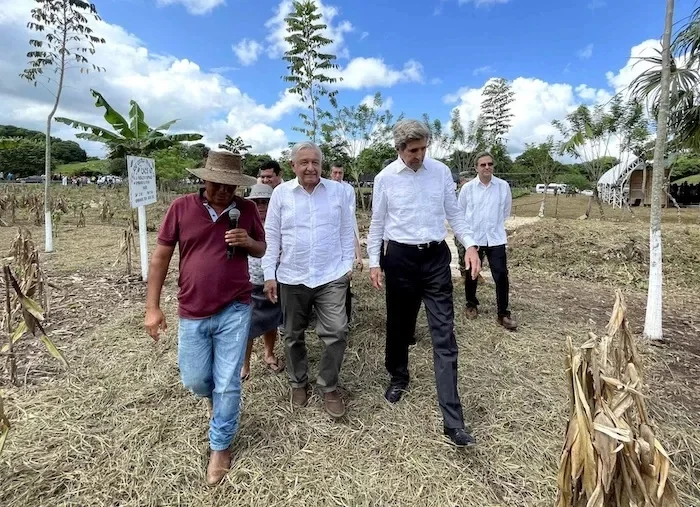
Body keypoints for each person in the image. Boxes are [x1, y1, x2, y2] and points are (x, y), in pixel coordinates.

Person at [144, 150, 264, 485]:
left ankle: (220, 446)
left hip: (236, 306)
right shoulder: (181, 208)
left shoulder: (248, 210)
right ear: (204, 179)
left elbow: (261, 248)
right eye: (218, 184)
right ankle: (217, 405)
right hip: (193, 309)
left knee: (228, 381)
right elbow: (161, 257)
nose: (225, 191)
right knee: (196, 380)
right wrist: (152, 308)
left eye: (231, 186)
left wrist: (248, 241)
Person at [367, 119, 481, 447]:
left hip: (434, 259)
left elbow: (455, 214)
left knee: (444, 334)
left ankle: (453, 420)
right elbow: (377, 223)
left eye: (423, 148)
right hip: (400, 260)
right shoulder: (385, 178)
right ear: (399, 149)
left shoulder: (441, 172)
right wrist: (375, 262)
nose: (419, 155)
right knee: (400, 326)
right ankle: (398, 375)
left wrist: (469, 244)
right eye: (413, 150)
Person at [262, 141, 354, 418]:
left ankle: (328, 386)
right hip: (292, 275)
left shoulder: (338, 192)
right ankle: (298, 381)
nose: (311, 167)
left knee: (337, 331)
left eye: (315, 162)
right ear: (293, 166)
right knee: (292, 334)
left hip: (331, 275)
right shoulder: (281, 194)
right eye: (304, 162)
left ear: (322, 165)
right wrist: (269, 274)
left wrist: (347, 265)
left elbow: (346, 230)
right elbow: (272, 236)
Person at [458, 152, 517, 330]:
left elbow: (506, 211)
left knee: (501, 275)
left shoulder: (502, 186)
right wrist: (467, 238)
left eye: (489, 164)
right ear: (476, 167)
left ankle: (503, 313)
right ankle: (471, 304)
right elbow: (460, 212)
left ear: (493, 166)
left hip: (495, 238)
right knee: (471, 273)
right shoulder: (468, 189)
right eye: (482, 165)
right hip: (474, 238)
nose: (486, 167)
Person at [241, 183, 284, 380]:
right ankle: (245, 364)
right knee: (247, 324)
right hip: (249, 280)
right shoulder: (244, 223)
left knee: (271, 320)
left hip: (274, 280)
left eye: (265, 201)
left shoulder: (280, 222)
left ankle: (268, 354)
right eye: (256, 201)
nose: (261, 206)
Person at [330, 163, 363, 323]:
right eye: (335, 173)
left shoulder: (348, 190)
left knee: (345, 278)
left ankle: (346, 317)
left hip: (345, 231)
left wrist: (358, 254)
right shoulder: (325, 188)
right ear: (330, 173)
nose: (337, 176)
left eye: (340, 173)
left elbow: (350, 219)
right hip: (329, 235)